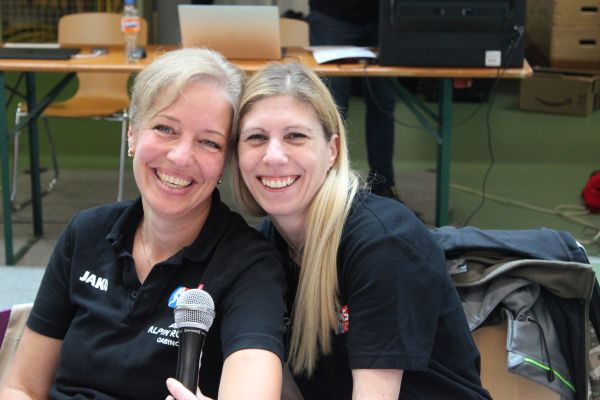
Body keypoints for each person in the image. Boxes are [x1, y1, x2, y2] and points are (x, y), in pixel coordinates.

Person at [0, 48, 285, 400]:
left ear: (226, 160)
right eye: (165, 128)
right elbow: (21, 387)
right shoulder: (85, 233)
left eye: (208, 142)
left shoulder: (249, 263)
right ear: (132, 134)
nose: (181, 156)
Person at [228, 62, 492, 399]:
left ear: (332, 150)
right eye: (256, 138)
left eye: (296, 136)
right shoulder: (266, 244)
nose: (274, 156)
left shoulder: (383, 244)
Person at [308, 0, 400, 200]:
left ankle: (384, 186)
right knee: (331, 106)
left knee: (382, 104)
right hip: (331, 14)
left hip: (385, 15)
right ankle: (329, 190)